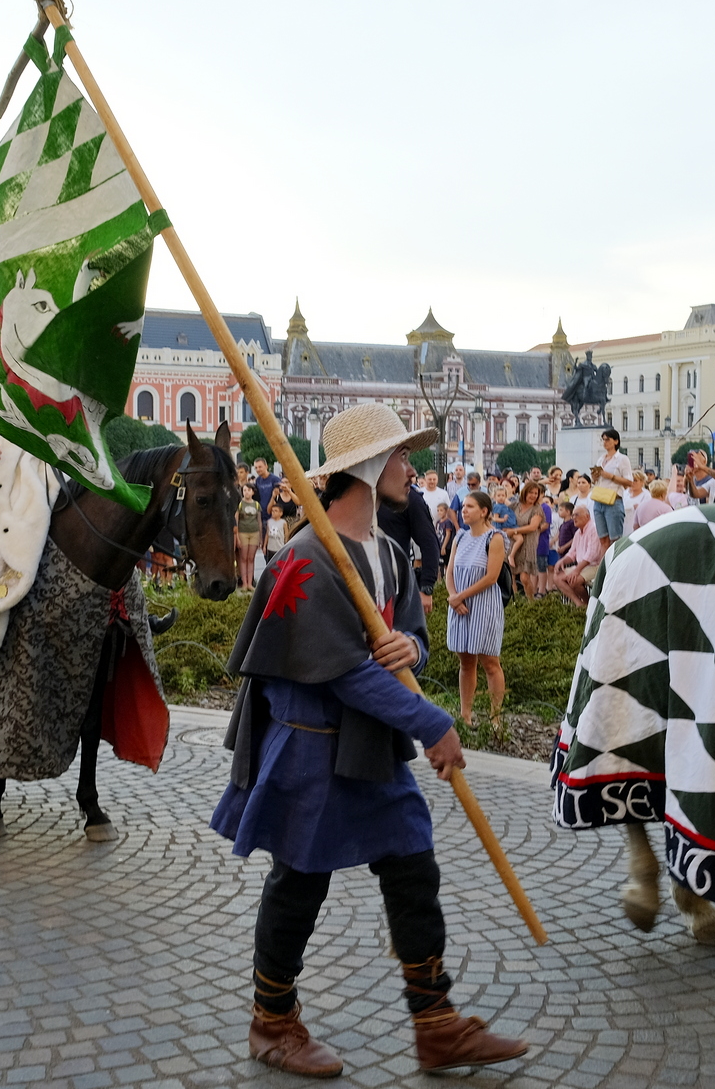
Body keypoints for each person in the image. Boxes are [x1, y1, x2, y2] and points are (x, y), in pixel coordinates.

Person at [211, 404, 526, 1077]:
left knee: (412, 862)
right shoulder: (304, 558)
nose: (412, 471)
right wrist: (433, 724)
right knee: (300, 880)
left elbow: (409, 644)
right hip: (307, 748)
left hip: (369, 749)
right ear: (367, 467)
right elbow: (341, 671)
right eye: (401, 458)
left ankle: (436, 1025)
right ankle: (271, 1022)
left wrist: (406, 644)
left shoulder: (386, 554)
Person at [446, 489, 509, 726]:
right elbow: (450, 571)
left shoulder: (495, 538)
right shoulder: (460, 537)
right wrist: (454, 597)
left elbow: (491, 577)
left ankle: (495, 717)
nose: (464, 511)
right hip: (459, 606)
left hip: (484, 606)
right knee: (466, 662)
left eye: (470, 507)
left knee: (490, 663)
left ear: (484, 512)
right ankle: (465, 715)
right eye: (463, 507)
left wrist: (460, 596)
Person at [377, 464, 441, 616]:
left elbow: (429, 543)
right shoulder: (355, 494)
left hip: (393, 585)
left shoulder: (409, 497)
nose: (411, 470)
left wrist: (426, 587)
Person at [550, 504, 603, 608]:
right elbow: (572, 553)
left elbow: (592, 555)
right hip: (583, 566)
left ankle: (589, 605)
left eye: (577, 515)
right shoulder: (578, 532)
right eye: (573, 515)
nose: (573, 517)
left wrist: (576, 571)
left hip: (595, 566)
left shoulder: (594, 528)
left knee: (574, 580)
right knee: (557, 577)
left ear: (587, 516)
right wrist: (562, 561)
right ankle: (579, 603)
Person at [590, 429, 631, 551]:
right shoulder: (601, 459)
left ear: (616, 441)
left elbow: (628, 482)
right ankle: (605, 569)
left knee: (615, 539)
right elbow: (596, 481)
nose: (605, 442)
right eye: (603, 439)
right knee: (603, 539)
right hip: (599, 499)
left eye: (607, 439)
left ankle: (615, 567)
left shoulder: (622, 459)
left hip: (613, 500)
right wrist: (595, 476)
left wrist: (611, 476)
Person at [510, 482, 546, 596]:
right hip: (513, 543)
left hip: (528, 544)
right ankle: (515, 603)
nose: (533, 495)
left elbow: (533, 527)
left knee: (524, 577)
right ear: (525, 492)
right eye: (531, 492)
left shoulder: (537, 509)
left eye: (536, 493)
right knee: (511, 576)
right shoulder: (514, 505)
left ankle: (531, 603)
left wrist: (514, 531)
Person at [235, 484, 263, 590]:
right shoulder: (240, 504)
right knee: (243, 558)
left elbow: (259, 521)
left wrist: (261, 537)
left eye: (249, 490)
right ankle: (244, 583)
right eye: (244, 490)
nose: (246, 492)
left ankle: (250, 583)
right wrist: (237, 536)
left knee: (251, 558)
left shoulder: (256, 504)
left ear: (253, 492)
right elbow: (236, 520)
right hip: (243, 532)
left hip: (254, 532)